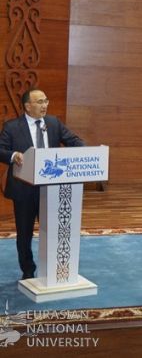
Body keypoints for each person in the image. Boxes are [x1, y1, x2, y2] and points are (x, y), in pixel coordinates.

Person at [0, 88, 85, 280]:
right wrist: (14, 155)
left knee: (54, 230)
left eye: (46, 101)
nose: (44, 105)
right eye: (39, 102)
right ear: (27, 106)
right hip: (24, 189)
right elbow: (1, 149)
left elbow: (73, 140)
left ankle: (54, 269)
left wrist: (86, 151)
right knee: (25, 234)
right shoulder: (12, 127)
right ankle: (28, 271)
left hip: (51, 189)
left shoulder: (53, 123)